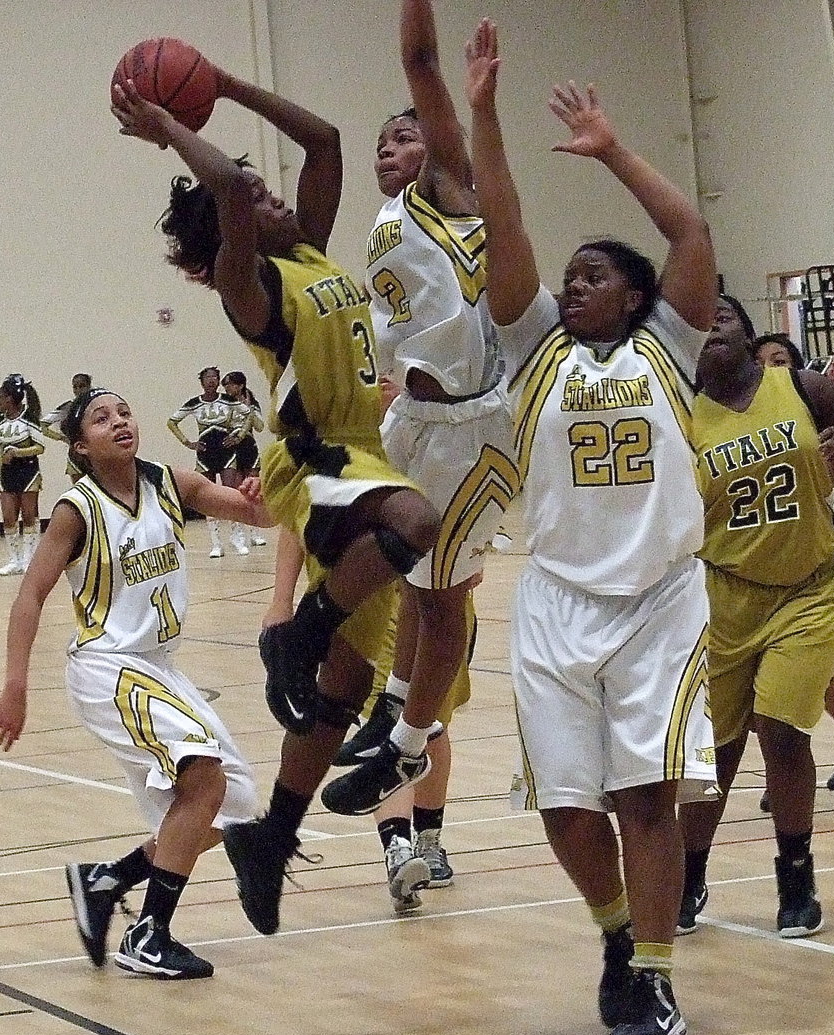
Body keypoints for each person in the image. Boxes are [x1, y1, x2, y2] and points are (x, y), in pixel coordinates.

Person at [113, 56, 441, 936]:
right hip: (319, 459)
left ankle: (272, 839)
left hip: (362, 455)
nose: (274, 199)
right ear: (232, 235)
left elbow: (325, 139)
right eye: (257, 203)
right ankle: (295, 633)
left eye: (269, 194)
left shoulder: (312, 252)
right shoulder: (249, 288)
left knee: (343, 689)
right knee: (418, 522)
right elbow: (222, 181)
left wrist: (222, 81)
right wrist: (176, 127)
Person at [468, 20, 716, 1035]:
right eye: (567, 279)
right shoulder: (533, 351)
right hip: (560, 598)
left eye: (592, 276)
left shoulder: (670, 346)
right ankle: (618, 933)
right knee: (567, 808)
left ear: (637, 296)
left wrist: (614, 149)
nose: (571, 287)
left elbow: (691, 235)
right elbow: (504, 219)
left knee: (644, 795)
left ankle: (654, 980)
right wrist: (482, 116)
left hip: (661, 597)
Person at [323, 0, 520, 897]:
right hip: (415, 423)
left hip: (480, 426)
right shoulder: (386, 223)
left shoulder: (456, 195)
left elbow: (419, 61)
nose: (390, 153)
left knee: (445, 599)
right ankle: (396, 723)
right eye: (383, 147)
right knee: (414, 582)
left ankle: (404, 741)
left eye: (404, 139)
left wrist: (437, 77)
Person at [0, 388, 271, 979]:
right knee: (203, 772)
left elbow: (254, 514)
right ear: (81, 445)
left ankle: (106, 880)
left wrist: (262, 496)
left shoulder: (173, 482)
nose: (119, 422)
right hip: (106, 665)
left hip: (159, 667)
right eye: (101, 418)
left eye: (124, 412)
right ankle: (149, 935)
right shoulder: (76, 508)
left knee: (235, 805)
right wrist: (15, 685)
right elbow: (30, 594)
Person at [676, 292, 834, 941]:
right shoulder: (681, 415)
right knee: (720, 752)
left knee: (783, 729)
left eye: (725, 314)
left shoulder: (804, 386)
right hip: (723, 596)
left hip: (810, 587)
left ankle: (796, 875)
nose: (712, 321)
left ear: (747, 331)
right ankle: (689, 874)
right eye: (700, 316)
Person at [167, 366, 250, 557]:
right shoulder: (194, 403)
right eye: (208, 377)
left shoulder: (228, 400)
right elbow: (172, 422)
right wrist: (188, 443)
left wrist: (239, 436)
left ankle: (237, 538)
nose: (212, 380)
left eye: (215, 377)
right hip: (205, 455)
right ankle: (216, 543)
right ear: (202, 382)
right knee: (207, 497)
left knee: (232, 493)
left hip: (227, 452)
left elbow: (248, 414)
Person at [0, 374, 45, 576]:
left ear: (9, 398)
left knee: (29, 516)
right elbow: (1, 450)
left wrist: (17, 452)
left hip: (28, 472)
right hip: (7, 474)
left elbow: (40, 447)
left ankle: (29, 560)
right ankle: (14, 560)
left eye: (0, 396)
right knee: (8, 518)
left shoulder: (29, 417)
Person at [221, 370, 270, 546]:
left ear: (240, 385)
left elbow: (260, 426)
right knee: (237, 489)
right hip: (231, 448)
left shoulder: (252, 402)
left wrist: (249, 410)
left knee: (253, 490)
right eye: (225, 385)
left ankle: (255, 531)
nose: (227, 388)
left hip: (249, 447)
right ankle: (237, 532)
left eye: (231, 384)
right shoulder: (225, 404)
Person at [41, 372, 93, 484]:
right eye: (75, 387)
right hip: (75, 457)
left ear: (89, 386)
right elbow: (42, 425)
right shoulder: (67, 407)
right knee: (80, 492)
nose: (78, 390)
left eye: (82, 386)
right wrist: (61, 438)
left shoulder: (98, 406)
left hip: (95, 453)